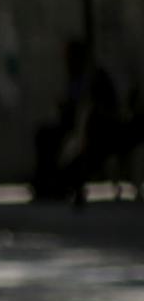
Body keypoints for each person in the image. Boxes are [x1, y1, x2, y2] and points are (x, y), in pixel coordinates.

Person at [36, 38, 131, 207]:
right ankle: (49, 183)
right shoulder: (77, 77)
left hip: (98, 132)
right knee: (46, 137)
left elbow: (98, 110)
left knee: (66, 148)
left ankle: (58, 184)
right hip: (77, 128)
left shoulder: (93, 78)